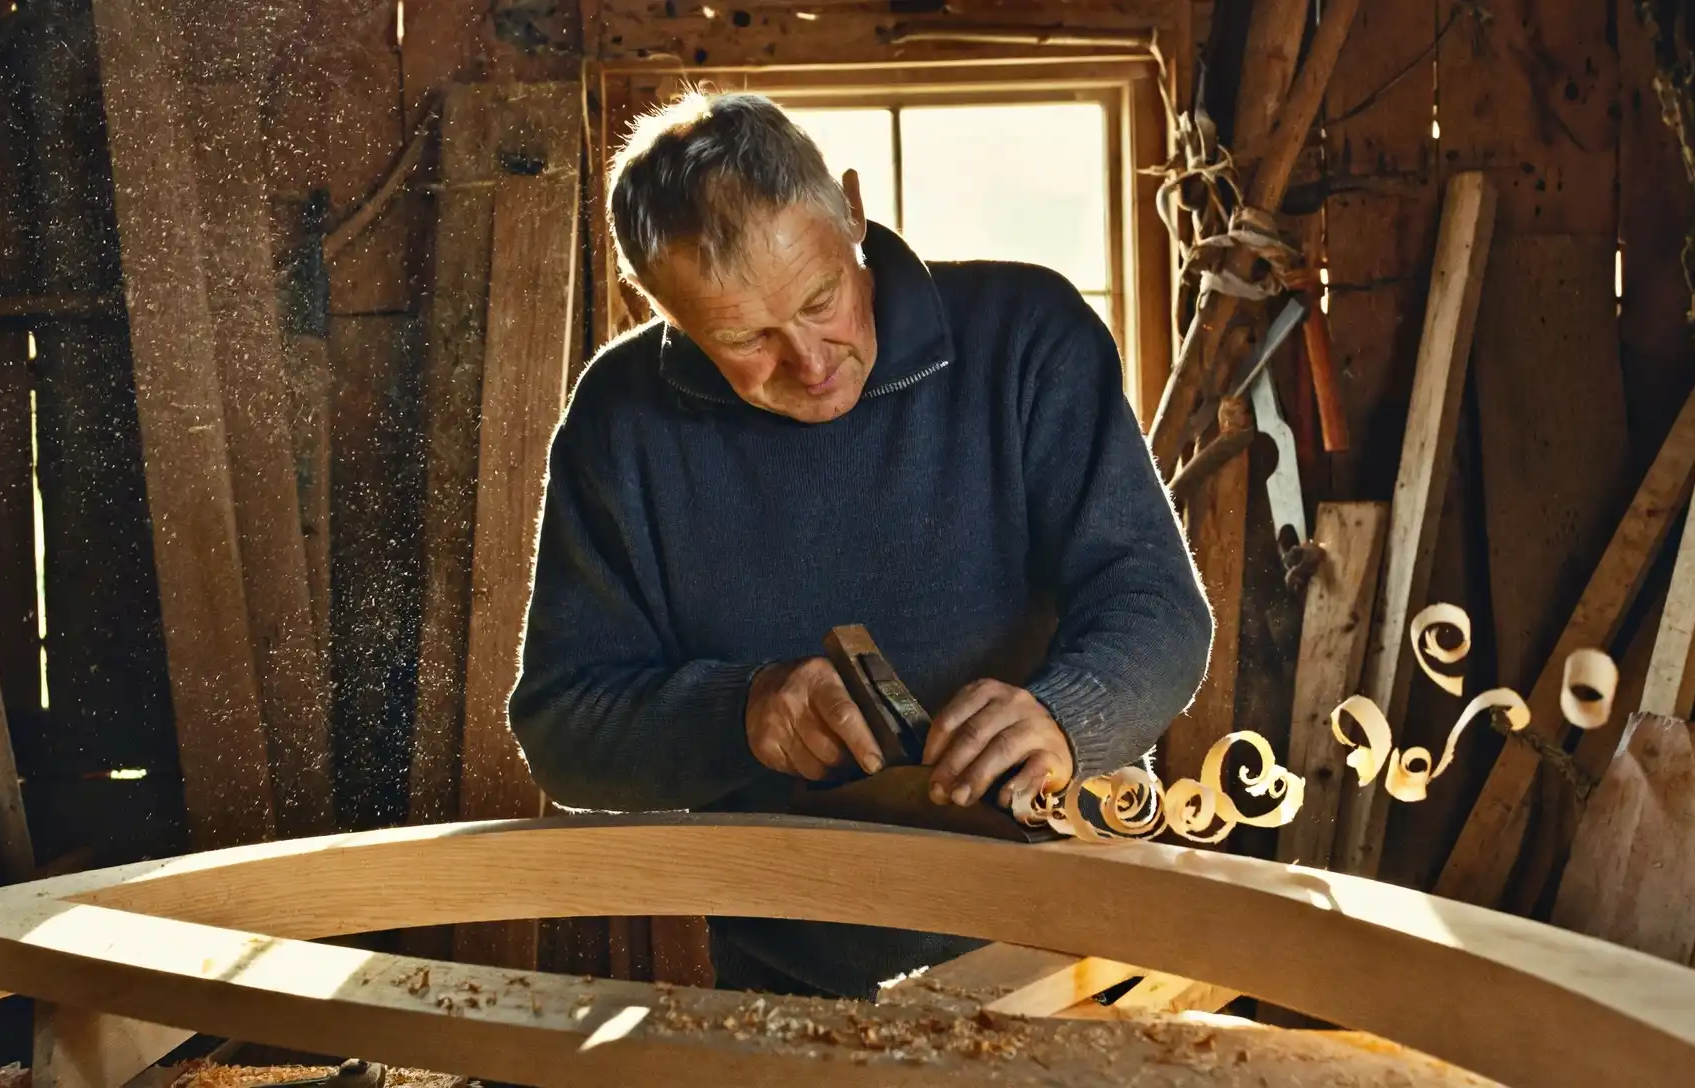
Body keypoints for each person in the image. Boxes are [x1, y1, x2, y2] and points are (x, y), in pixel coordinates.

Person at [509, 89, 1213, 999]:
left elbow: (1157, 607)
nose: (808, 360)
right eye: (745, 338)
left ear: (851, 207)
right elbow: (564, 728)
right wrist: (740, 712)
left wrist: (1066, 714)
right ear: (661, 311)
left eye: (821, 298)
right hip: (801, 981)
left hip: (1076, 941)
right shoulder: (622, 422)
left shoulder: (1027, 334)